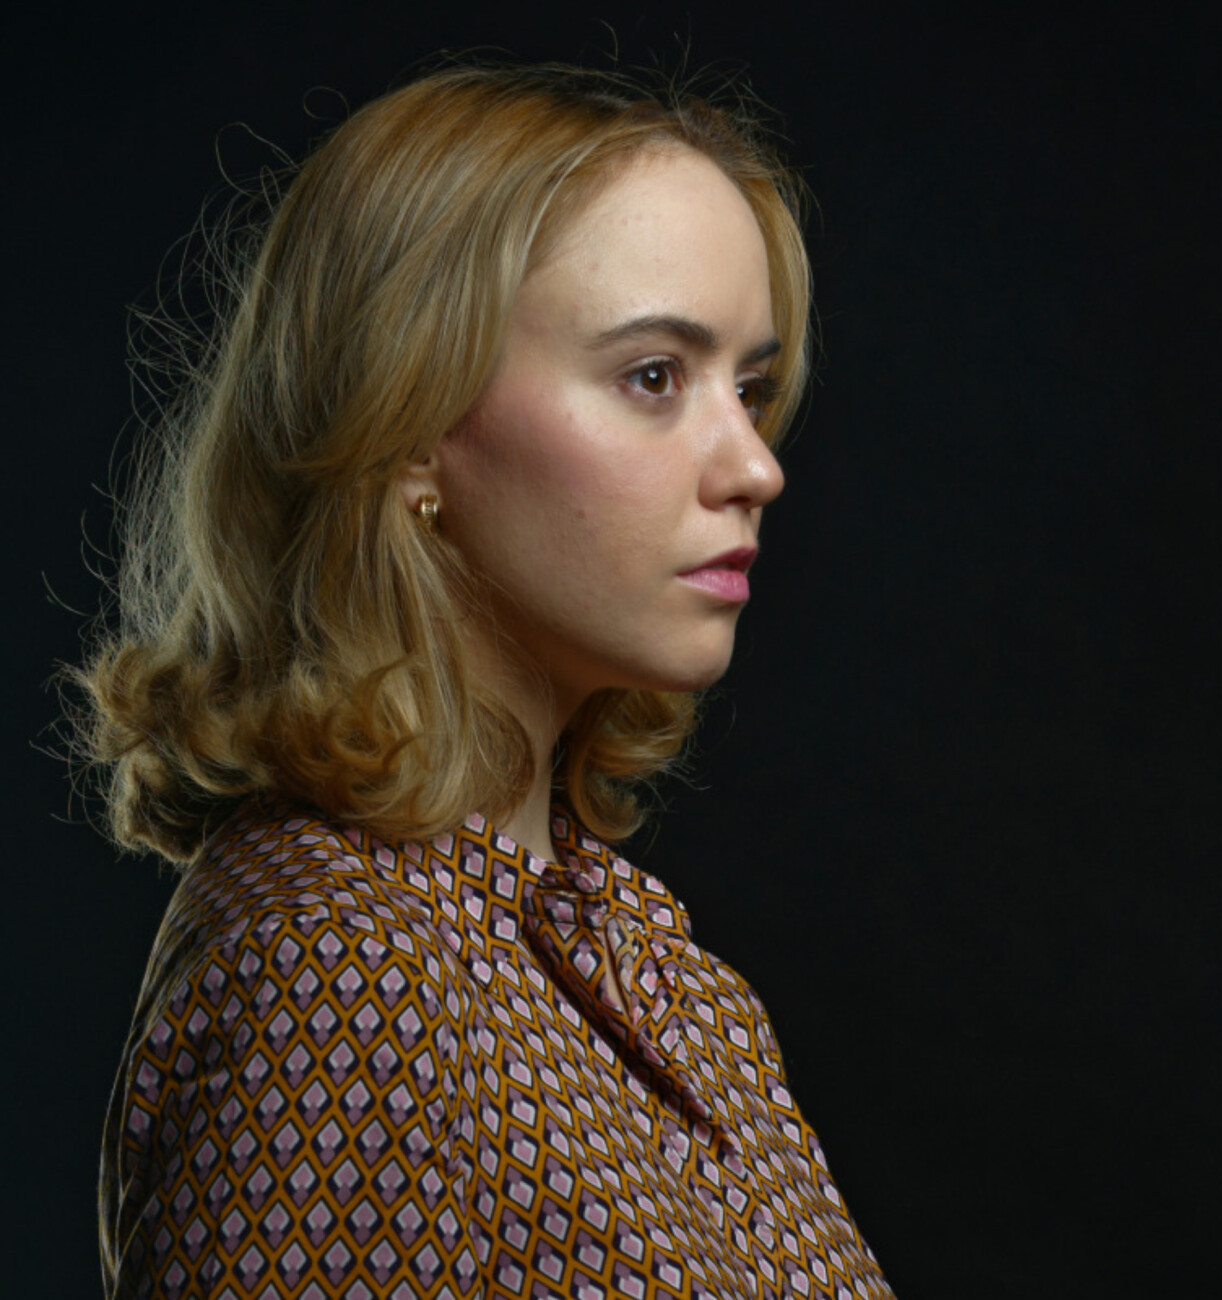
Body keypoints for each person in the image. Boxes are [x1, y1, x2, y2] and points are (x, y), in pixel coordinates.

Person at [81, 63, 895, 1300]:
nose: (754, 466)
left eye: (750, 388)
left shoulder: (666, 978)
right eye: (654, 377)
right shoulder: (332, 970)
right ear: (407, 423)